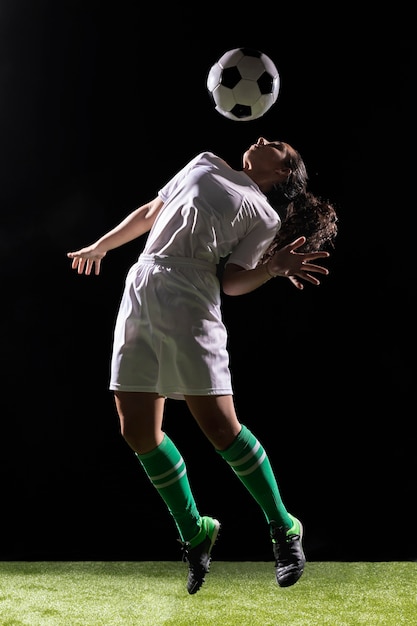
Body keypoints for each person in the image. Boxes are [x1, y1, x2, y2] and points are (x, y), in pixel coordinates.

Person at [67, 137, 338, 594]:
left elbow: (232, 282)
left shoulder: (266, 216)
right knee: (137, 431)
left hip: (194, 297)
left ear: (283, 174)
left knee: (219, 427)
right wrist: (102, 245)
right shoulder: (206, 161)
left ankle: (284, 526)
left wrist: (271, 269)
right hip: (142, 284)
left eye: (277, 145)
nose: (262, 138)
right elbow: (153, 211)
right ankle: (196, 532)